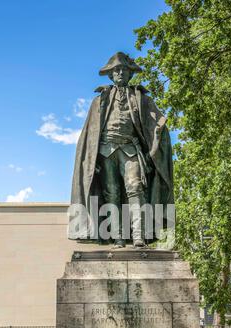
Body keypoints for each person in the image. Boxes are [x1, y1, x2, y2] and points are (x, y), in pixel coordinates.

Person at [69, 52, 174, 248]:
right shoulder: (100, 100)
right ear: (110, 75)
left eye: (124, 70)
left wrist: (159, 133)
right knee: (112, 192)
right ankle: (117, 236)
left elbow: (157, 122)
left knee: (135, 188)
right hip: (106, 150)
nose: (120, 73)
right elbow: (89, 134)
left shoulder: (140, 97)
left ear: (129, 74)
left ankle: (138, 236)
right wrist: (92, 160)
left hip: (130, 149)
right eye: (116, 70)